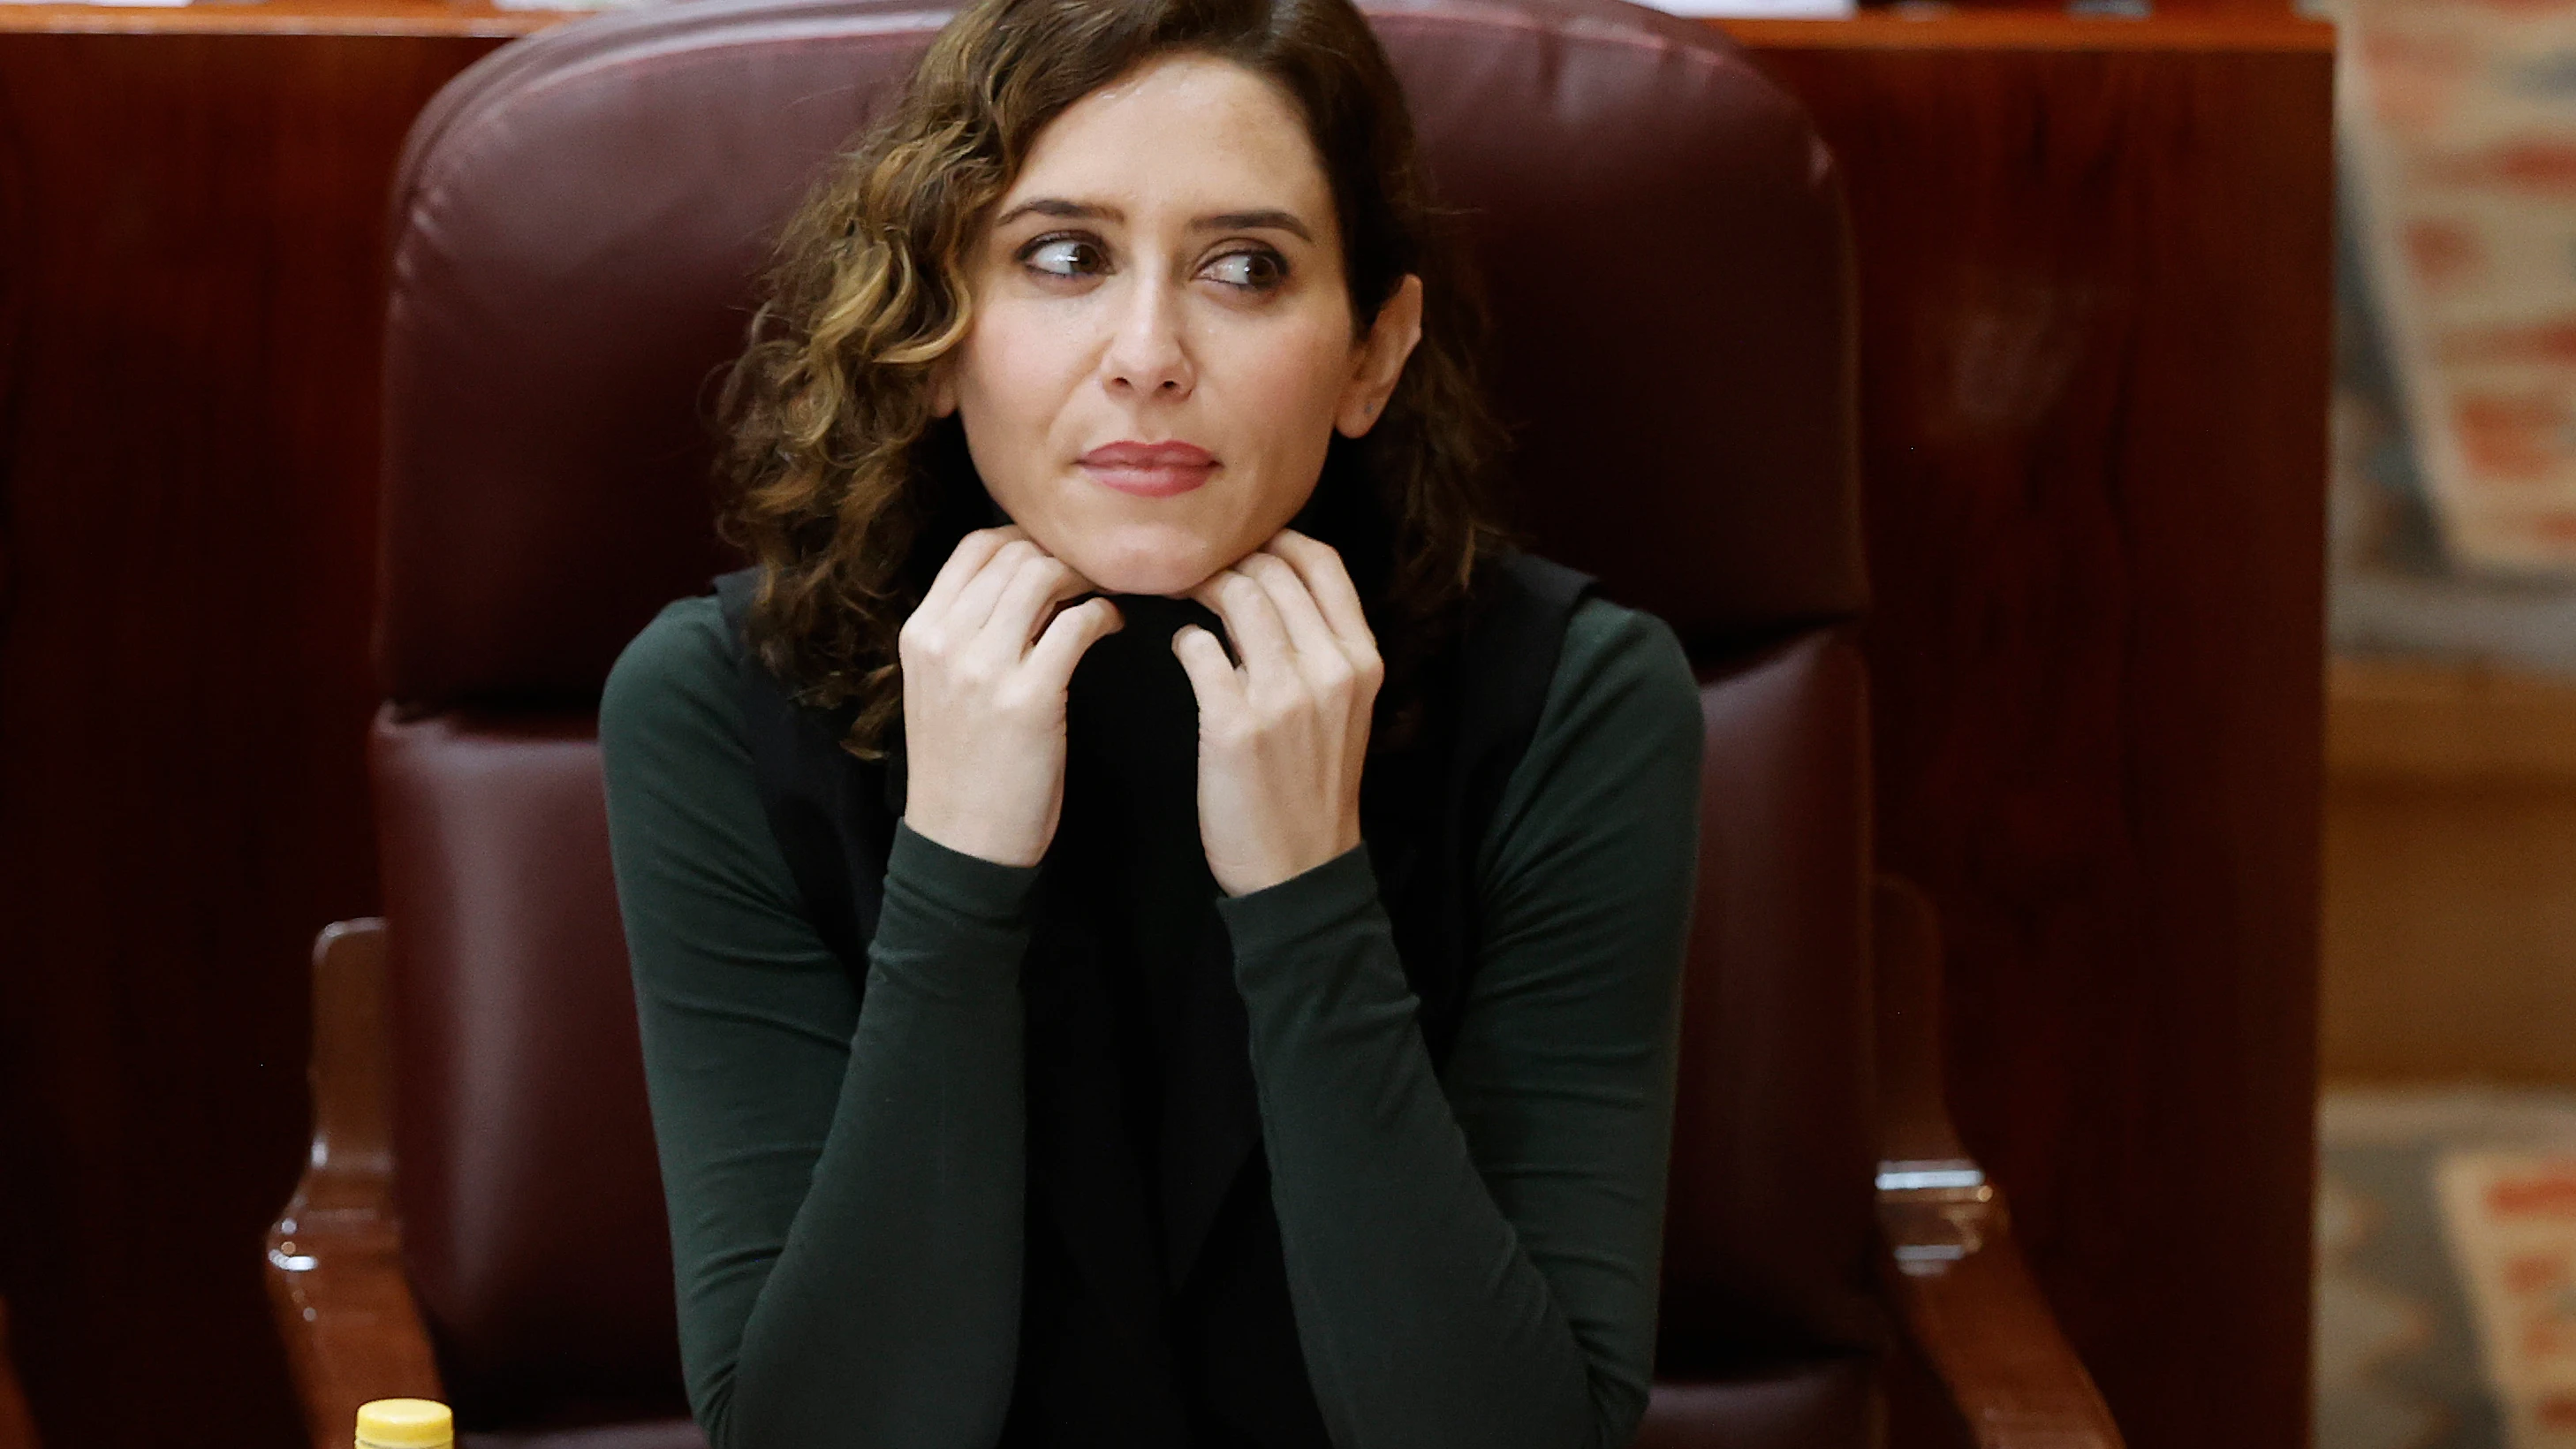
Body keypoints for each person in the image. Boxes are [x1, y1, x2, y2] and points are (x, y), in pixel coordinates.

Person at [598, 0, 1704, 1441]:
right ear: (936, 328)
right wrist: (958, 872)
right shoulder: (714, 707)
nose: (1146, 354)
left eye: (1245, 269)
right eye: (1063, 257)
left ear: (1374, 351)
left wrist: (1310, 901)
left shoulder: (1576, 704)